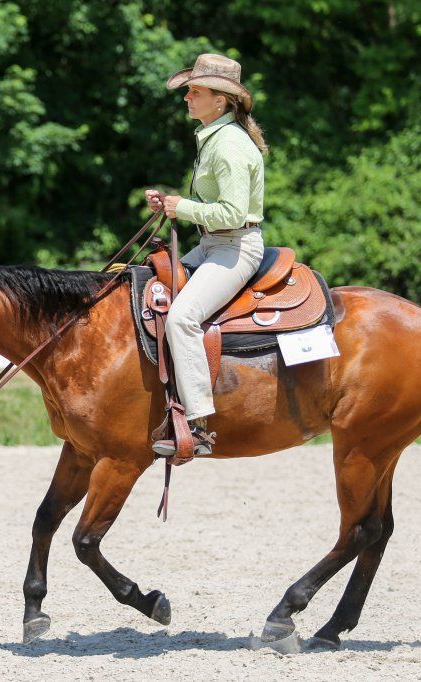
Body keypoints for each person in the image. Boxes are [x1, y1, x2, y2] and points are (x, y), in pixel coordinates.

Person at [147, 53, 268, 458]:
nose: (187, 98)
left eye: (195, 91)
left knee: (182, 318)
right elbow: (211, 205)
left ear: (221, 100)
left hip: (235, 248)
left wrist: (181, 207)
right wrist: (170, 203)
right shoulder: (214, 139)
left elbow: (233, 214)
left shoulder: (229, 145)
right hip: (213, 244)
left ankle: (197, 424)